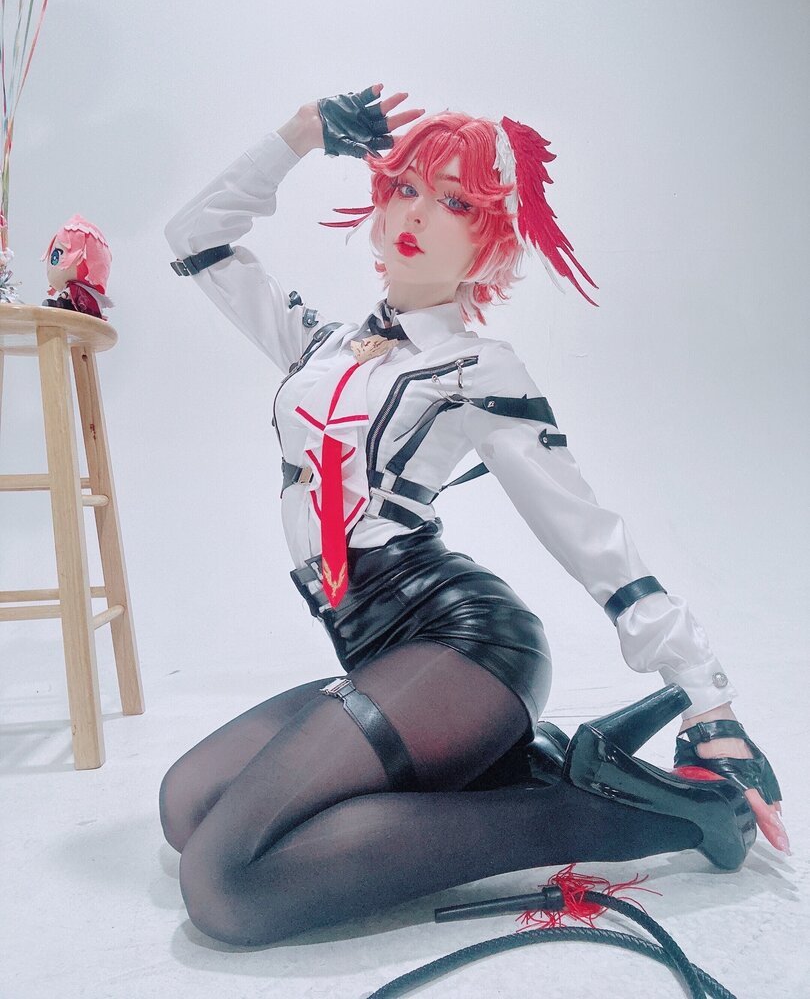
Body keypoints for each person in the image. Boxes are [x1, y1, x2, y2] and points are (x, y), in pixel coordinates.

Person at [160, 85, 786, 947]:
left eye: (456, 202)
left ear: (492, 240)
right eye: (406, 187)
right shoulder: (320, 347)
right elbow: (193, 239)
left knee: (226, 885)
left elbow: (583, 528)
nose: (418, 213)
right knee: (187, 808)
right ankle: (511, 772)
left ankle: (642, 815)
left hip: (466, 649)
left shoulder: (478, 368)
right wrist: (299, 137)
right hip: (374, 648)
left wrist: (704, 692)